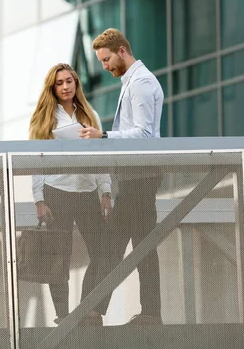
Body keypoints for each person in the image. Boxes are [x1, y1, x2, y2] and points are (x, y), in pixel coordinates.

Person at [79, 28, 164, 325]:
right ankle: (146, 313)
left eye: (106, 59)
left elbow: (143, 133)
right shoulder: (132, 81)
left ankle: (90, 312)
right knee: (135, 245)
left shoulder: (140, 83)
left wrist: (102, 136)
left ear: (122, 50)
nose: (105, 67)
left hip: (140, 176)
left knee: (116, 245)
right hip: (135, 176)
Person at [29, 63, 113, 326]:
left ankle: (90, 308)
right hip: (57, 191)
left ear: (76, 84)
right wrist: (39, 199)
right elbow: (35, 160)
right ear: (52, 88)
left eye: (69, 81)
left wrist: (106, 191)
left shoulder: (90, 115)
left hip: (87, 190)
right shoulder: (44, 118)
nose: (65, 87)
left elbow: (101, 155)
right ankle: (63, 315)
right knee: (59, 257)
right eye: (59, 83)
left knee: (104, 254)